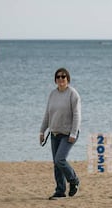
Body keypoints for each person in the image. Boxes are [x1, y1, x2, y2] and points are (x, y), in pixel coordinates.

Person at [40, 68, 81, 200]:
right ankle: (60, 191)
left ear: (67, 79)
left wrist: (73, 133)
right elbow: (47, 114)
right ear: (55, 79)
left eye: (63, 77)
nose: (61, 79)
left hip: (68, 133)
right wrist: (42, 131)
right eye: (58, 77)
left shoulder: (73, 94)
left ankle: (74, 180)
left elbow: (77, 115)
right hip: (54, 133)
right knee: (56, 163)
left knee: (60, 159)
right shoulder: (52, 94)